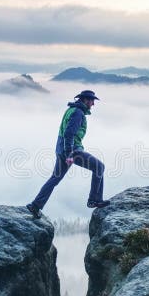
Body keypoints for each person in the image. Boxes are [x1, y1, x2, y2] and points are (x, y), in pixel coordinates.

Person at [26, 90, 110, 218]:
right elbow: (69, 134)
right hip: (72, 150)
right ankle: (94, 200)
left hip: (61, 149)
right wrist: (69, 154)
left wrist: (65, 152)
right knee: (99, 167)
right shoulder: (78, 113)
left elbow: (65, 133)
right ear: (85, 100)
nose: (93, 104)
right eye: (92, 100)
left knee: (55, 178)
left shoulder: (71, 110)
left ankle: (35, 205)